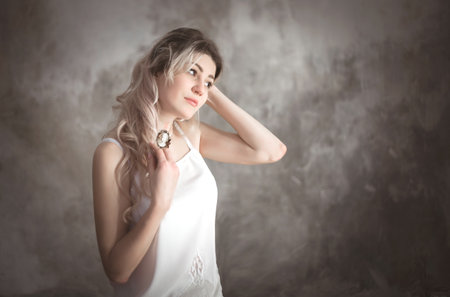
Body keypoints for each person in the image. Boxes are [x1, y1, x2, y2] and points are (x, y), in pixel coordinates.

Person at [92, 27, 286, 297]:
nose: (200, 87)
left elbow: (271, 150)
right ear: (159, 69)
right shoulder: (113, 153)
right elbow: (117, 271)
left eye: (209, 81)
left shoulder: (192, 135)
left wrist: (208, 92)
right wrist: (159, 205)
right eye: (192, 71)